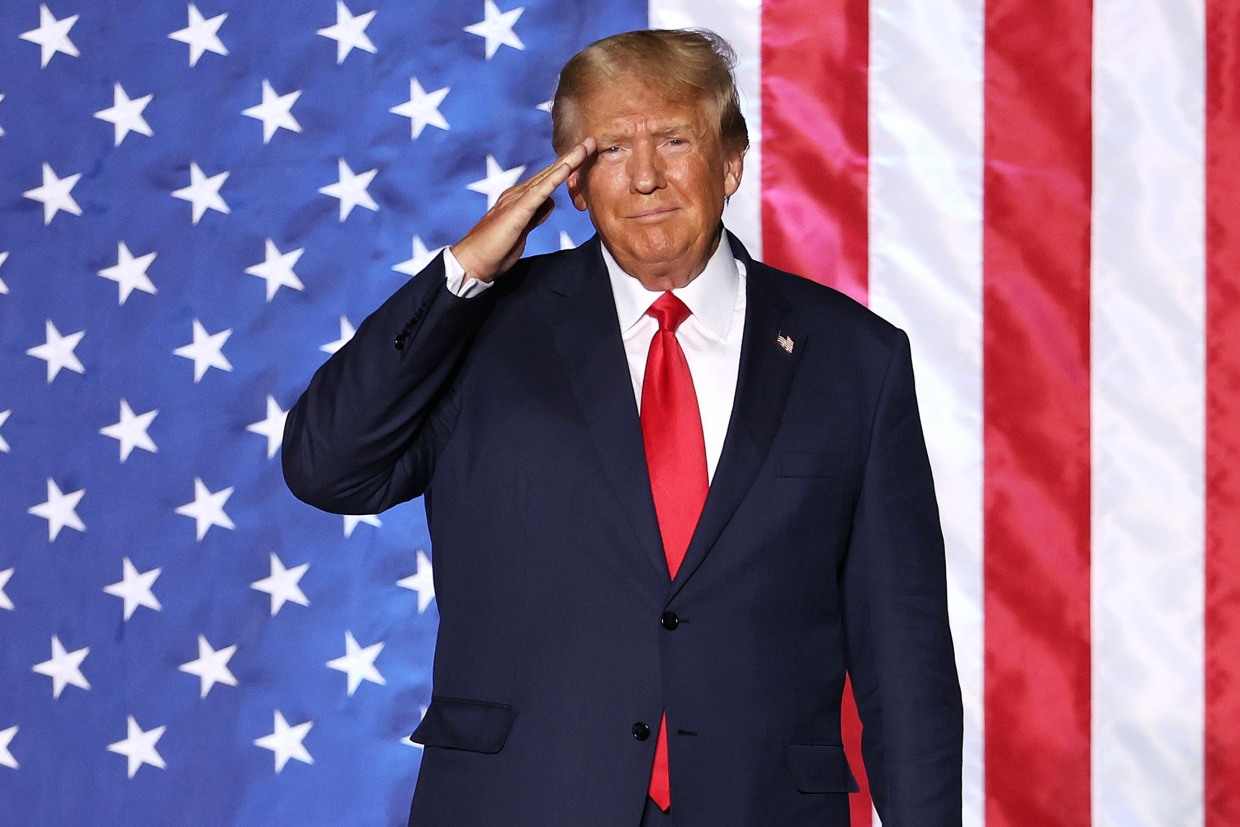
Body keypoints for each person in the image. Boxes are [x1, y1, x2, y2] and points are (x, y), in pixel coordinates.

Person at [283, 28, 962, 827]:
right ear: (570, 183)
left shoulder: (854, 357)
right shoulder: (481, 330)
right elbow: (327, 466)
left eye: (675, 139)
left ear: (731, 160)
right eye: (608, 150)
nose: (645, 177)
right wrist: (464, 270)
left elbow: (903, 650)